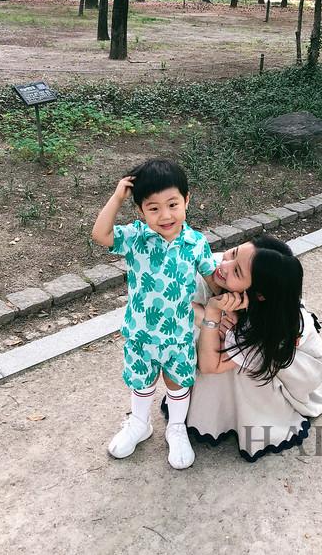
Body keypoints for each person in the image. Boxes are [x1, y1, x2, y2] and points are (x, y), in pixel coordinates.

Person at [92, 159, 217, 470]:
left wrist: (233, 300)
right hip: (141, 334)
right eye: (154, 208)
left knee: (177, 383)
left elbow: (214, 280)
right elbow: (101, 235)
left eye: (173, 204)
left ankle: (176, 428)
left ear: (187, 200)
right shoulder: (136, 237)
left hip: (179, 335)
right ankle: (139, 423)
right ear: (140, 211)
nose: (165, 216)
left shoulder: (196, 243)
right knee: (142, 382)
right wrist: (117, 197)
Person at [178, 236, 322, 462]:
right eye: (233, 252)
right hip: (247, 331)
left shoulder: (267, 328)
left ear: (259, 294)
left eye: (237, 271)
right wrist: (209, 317)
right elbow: (168, 298)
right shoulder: (222, 266)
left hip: (291, 369)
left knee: (236, 363)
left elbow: (210, 366)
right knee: (208, 334)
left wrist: (212, 313)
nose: (224, 265)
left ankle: (238, 415)